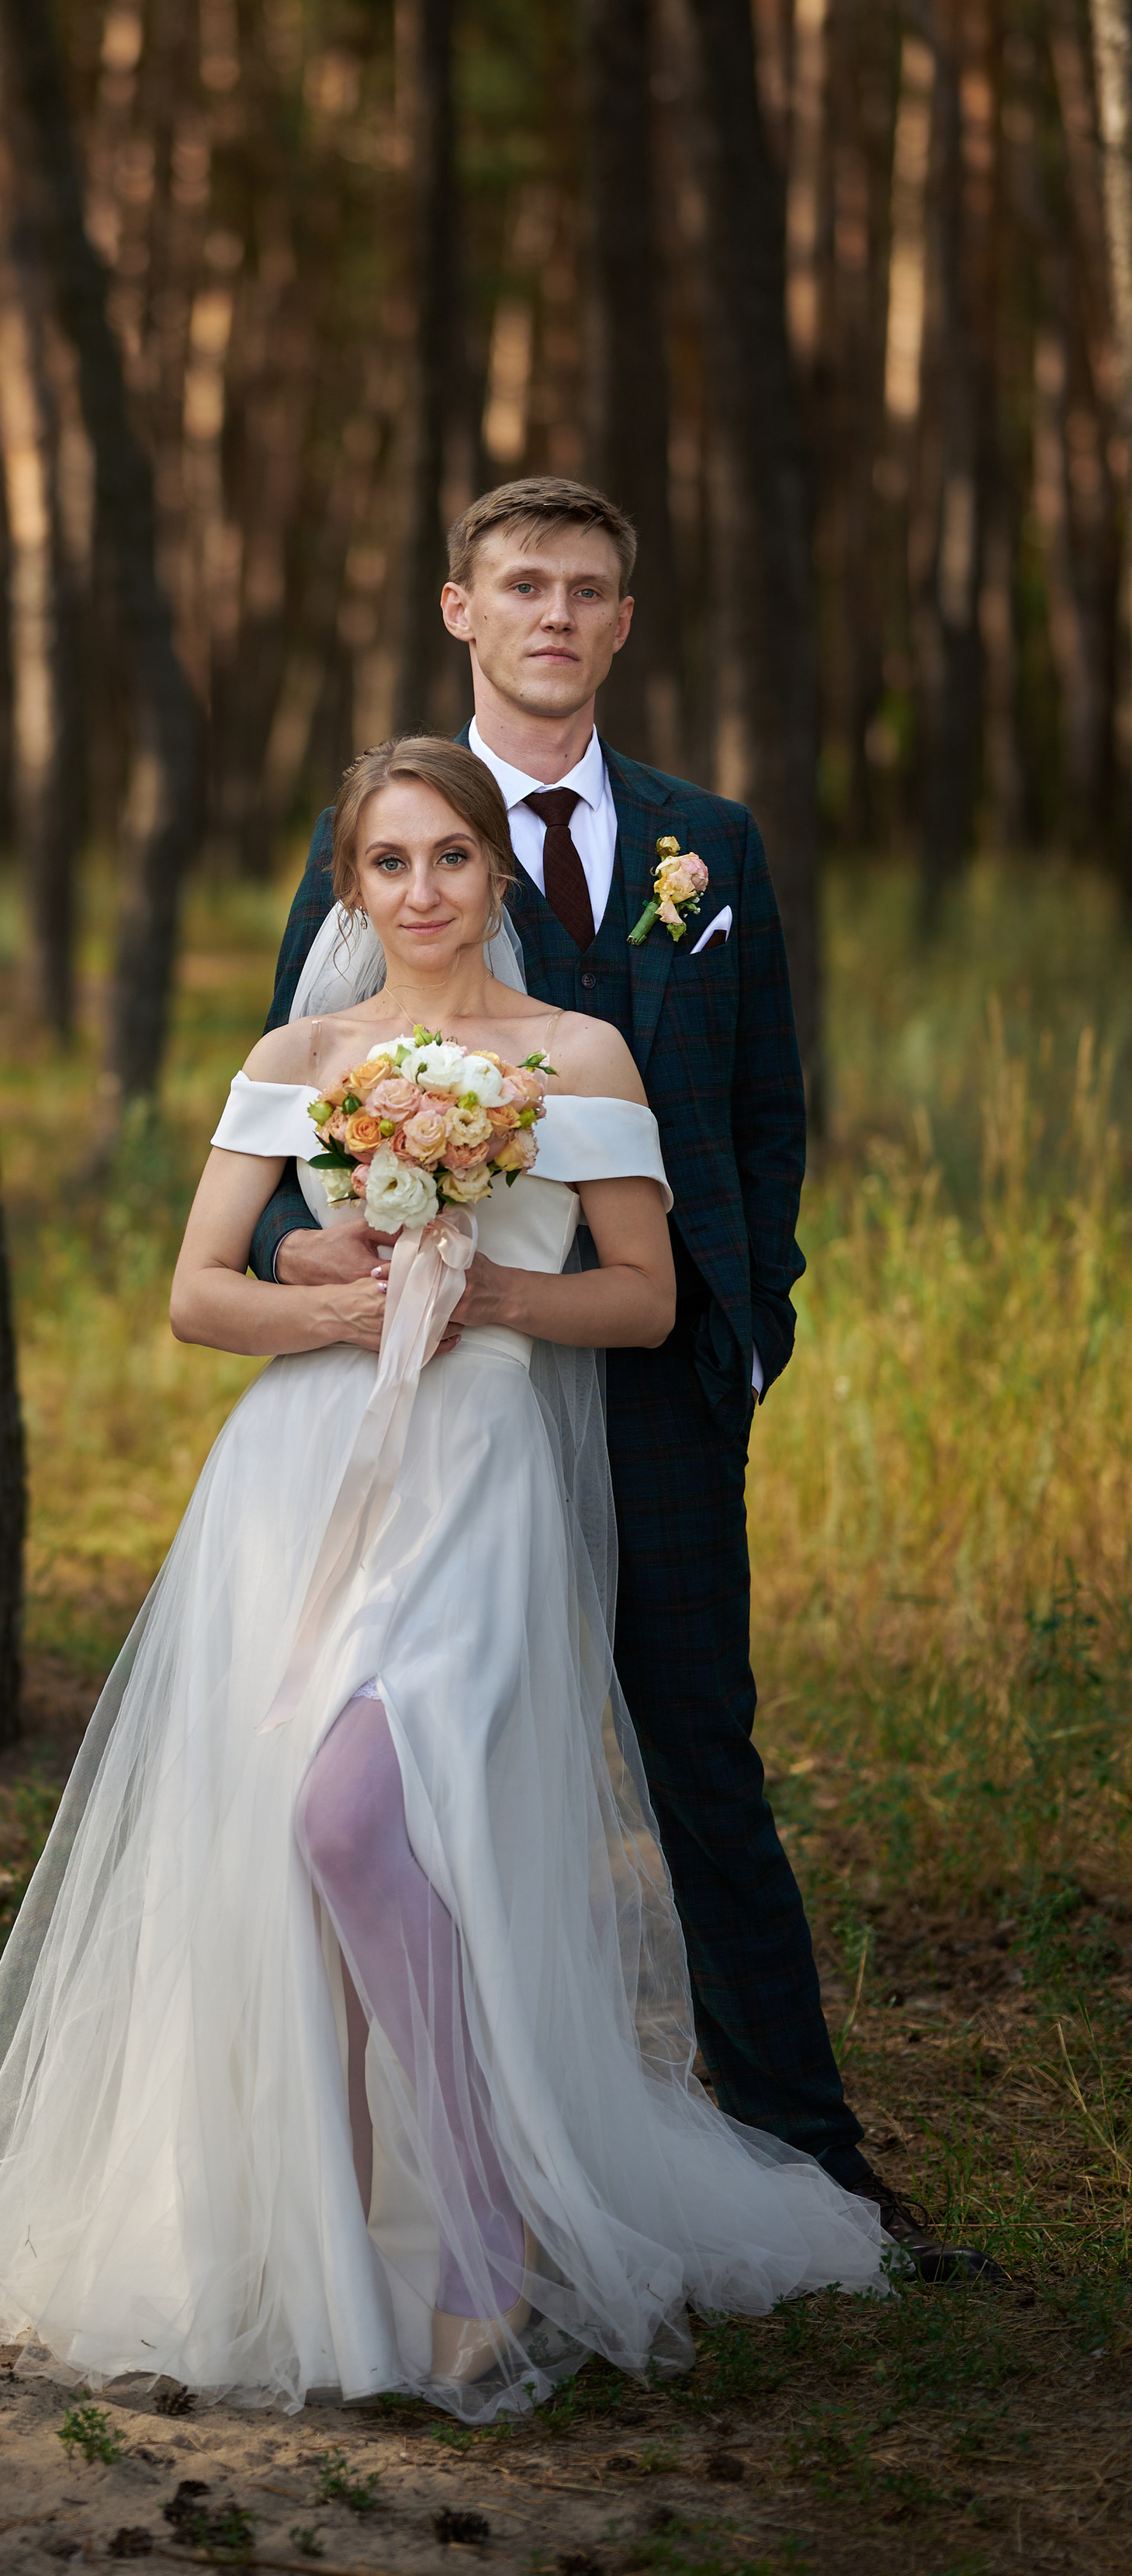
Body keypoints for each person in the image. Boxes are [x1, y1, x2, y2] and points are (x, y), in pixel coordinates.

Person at [0, 736, 885, 2418]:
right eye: (387, 864)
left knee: (351, 1819)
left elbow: (640, 1298)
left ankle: (483, 2219)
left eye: (448, 858)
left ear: (496, 872)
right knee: (290, 1863)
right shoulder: (303, 1049)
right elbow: (199, 1291)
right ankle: (339, 2242)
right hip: (297, 1477)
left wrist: (484, 1298)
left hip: (481, 1474)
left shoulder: (578, 1056)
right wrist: (337, 1306)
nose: (420, 892)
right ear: (347, 888)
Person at [250, 473, 993, 2283]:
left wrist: (754, 1321)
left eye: (585, 589)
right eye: (520, 585)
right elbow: (293, 1148)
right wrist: (313, 1264)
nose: (554, 616)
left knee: (697, 1766)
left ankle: (811, 2168)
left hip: (658, 1382)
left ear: (621, 622)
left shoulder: (701, 845)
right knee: (417, 1778)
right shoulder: (380, 842)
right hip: (444, 1417)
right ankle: (446, 2182)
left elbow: (759, 1111)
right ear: (459, 610)